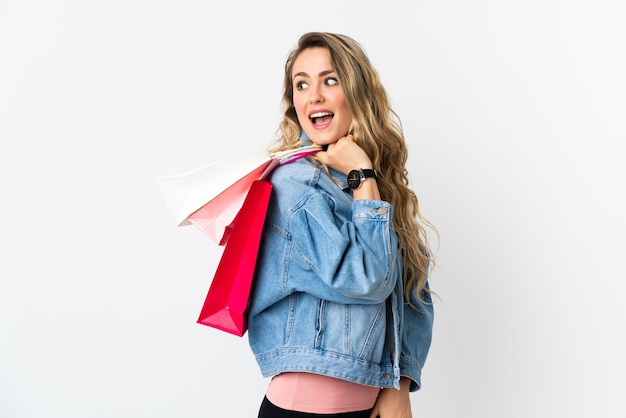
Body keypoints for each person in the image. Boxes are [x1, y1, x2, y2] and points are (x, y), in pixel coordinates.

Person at [248, 32, 436, 418]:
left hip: (369, 407)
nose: (313, 95)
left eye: (329, 80)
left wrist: (398, 384)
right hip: (303, 410)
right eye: (302, 84)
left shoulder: (374, 185)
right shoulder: (294, 186)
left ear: (357, 92)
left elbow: (414, 293)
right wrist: (363, 178)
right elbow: (366, 280)